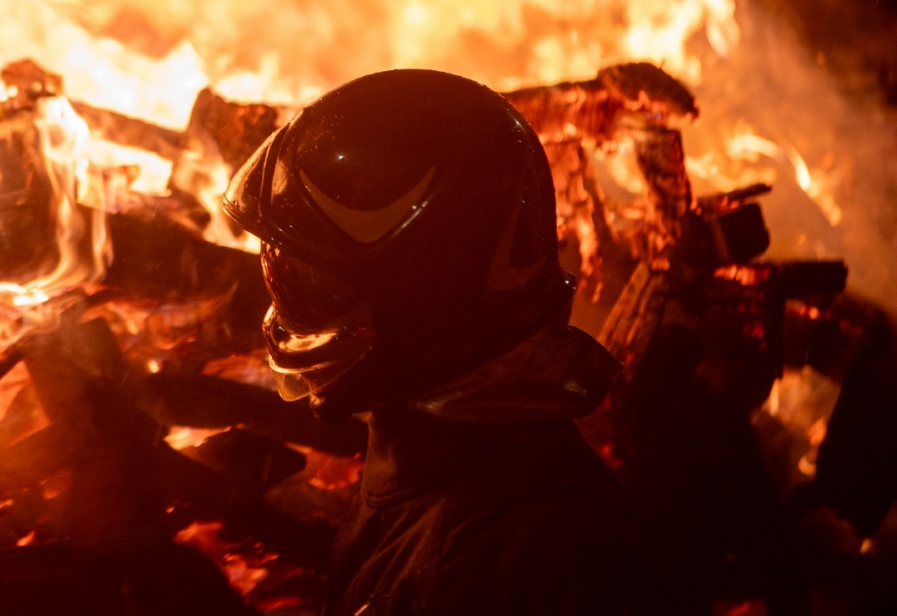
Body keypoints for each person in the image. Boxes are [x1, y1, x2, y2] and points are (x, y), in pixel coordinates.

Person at [222, 69, 674, 616]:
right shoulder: (418, 469)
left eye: (312, 283)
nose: (289, 312)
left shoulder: (561, 553)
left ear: (430, 284)